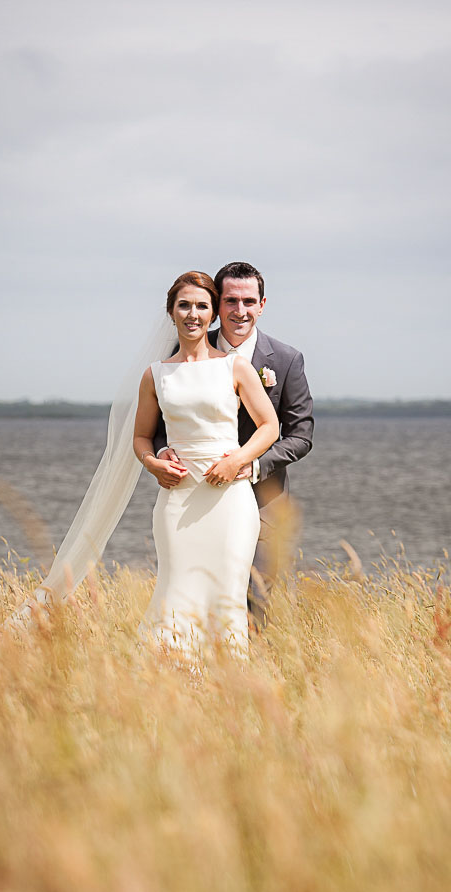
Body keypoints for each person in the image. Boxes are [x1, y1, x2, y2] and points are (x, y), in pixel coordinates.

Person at [154, 261, 313, 622]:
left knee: (255, 595)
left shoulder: (286, 360)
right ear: (217, 304)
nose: (239, 311)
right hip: (197, 492)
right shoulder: (187, 350)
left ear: (262, 304)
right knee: (194, 591)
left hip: (262, 497)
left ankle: (246, 673)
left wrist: (249, 464)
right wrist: (162, 453)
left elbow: (300, 435)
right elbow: (164, 414)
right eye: (230, 301)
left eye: (248, 301)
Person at [133, 271, 278, 652]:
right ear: (171, 312)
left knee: (228, 593)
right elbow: (141, 437)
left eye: (201, 306)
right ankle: (173, 683)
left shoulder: (235, 367)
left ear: (213, 314)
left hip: (230, 501)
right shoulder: (155, 375)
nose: (192, 313)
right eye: (184, 305)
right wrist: (153, 463)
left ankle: (228, 686)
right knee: (178, 590)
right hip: (177, 500)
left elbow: (270, 426)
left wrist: (239, 460)